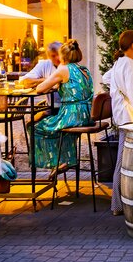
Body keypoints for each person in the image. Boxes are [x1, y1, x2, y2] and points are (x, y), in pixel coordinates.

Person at [106, 30, 133, 216]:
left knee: (122, 160)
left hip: (122, 116)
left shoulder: (119, 63)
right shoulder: (130, 64)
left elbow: (106, 78)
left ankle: (119, 204)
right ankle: (117, 204)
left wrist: (116, 92)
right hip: (129, 118)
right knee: (124, 162)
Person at [32, 40, 93, 170]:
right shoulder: (84, 70)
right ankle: (65, 161)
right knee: (63, 132)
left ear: (62, 56)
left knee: (37, 126)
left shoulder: (63, 69)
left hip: (72, 116)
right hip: (87, 115)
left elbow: (40, 89)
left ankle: (58, 162)